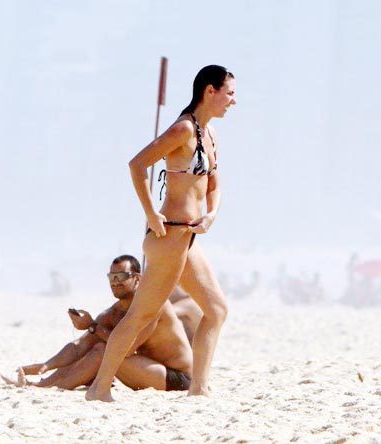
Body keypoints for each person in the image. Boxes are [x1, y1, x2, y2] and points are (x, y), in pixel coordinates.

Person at [86, 65, 235, 402]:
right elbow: (137, 165)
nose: (233, 101)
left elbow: (214, 185)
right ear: (209, 92)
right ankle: (99, 388)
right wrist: (151, 213)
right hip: (169, 236)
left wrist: (211, 215)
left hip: (190, 237)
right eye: (229, 93)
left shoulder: (208, 135)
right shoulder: (183, 129)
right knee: (142, 315)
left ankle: (199, 388)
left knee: (216, 310)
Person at [1, 255, 193, 391]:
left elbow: (125, 349)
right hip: (149, 369)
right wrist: (47, 365)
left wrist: (93, 326)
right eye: (111, 277)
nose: (115, 282)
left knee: (103, 351)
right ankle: (43, 381)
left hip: (177, 377)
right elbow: (80, 346)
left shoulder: (153, 305)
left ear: (137, 279)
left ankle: (45, 387)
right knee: (96, 346)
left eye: (121, 277)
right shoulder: (114, 312)